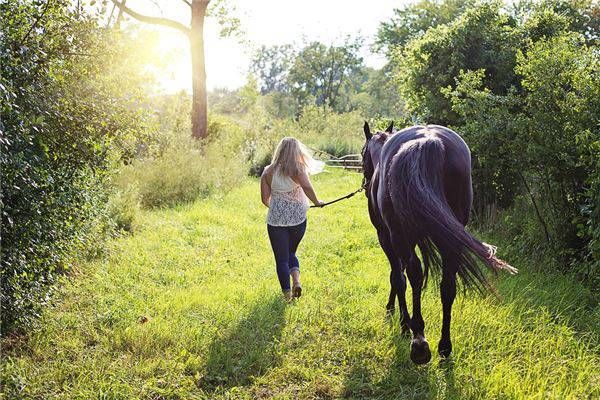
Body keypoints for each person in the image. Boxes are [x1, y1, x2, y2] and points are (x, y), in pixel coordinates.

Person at [260, 137, 324, 300]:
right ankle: (296, 281)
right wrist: (317, 202)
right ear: (296, 151)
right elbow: (307, 187)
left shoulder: (268, 171)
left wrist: (279, 208)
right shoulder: (297, 169)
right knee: (291, 252)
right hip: (298, 220)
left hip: (275, 222)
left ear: (279, 151)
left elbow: (265, 199)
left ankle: (287, 295)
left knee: (281, 258)